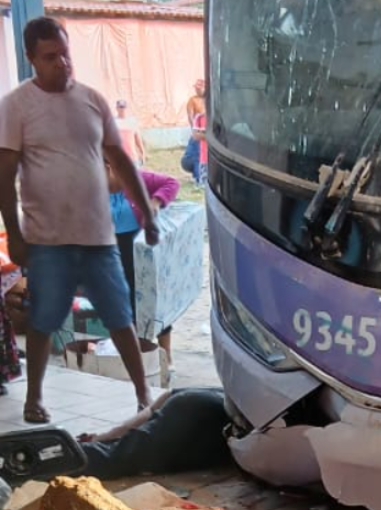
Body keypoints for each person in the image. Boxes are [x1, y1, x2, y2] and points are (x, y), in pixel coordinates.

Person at [0, 17, 160, 424]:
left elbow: (122, 161)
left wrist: (147, 213)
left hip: (98, 239)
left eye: (65, 54)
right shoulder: (17, 106)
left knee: (120, 317)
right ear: (31, 58)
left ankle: (144, 395)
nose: (62, 63)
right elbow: (4, 175)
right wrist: (15, 236)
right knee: (43, 320)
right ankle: (34, 398)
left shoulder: (92, 99)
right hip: (47, 242)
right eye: (50, 57)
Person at [107, 164, 180, 366]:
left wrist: (155, 202)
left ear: (108, 167)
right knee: (125, 303)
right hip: (112, 250)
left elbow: (171, 183)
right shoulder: (91, 187)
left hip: (142, 248)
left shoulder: (136, 177)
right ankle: (141, 357)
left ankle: (166, 358)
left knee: (153, 300)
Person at [76, 387, 234, 479]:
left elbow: (164, 398)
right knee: (113, 460)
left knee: (119, 451)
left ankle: (63, 449)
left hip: (193, 399)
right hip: (203, 416)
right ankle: (56, 454)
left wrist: (107, 435)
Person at [181, 79, 206, 184]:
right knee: (197, 155)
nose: (197, 90)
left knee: (203, 156)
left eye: (199, 88)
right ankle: (198, 177)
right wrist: (195, 129)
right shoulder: (192, 100)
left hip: (207, 129)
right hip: (199, 130)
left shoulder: (209, 99)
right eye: (196, 88)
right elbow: (191, 116)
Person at [114, 99, 147, 166]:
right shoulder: (113, 122)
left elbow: (137, 139)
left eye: (123, 107)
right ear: (117, 108)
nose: (122, 110)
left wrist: (142, 152)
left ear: (126, 108)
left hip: (132, 158)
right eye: (120, 107)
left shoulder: (132, 122)